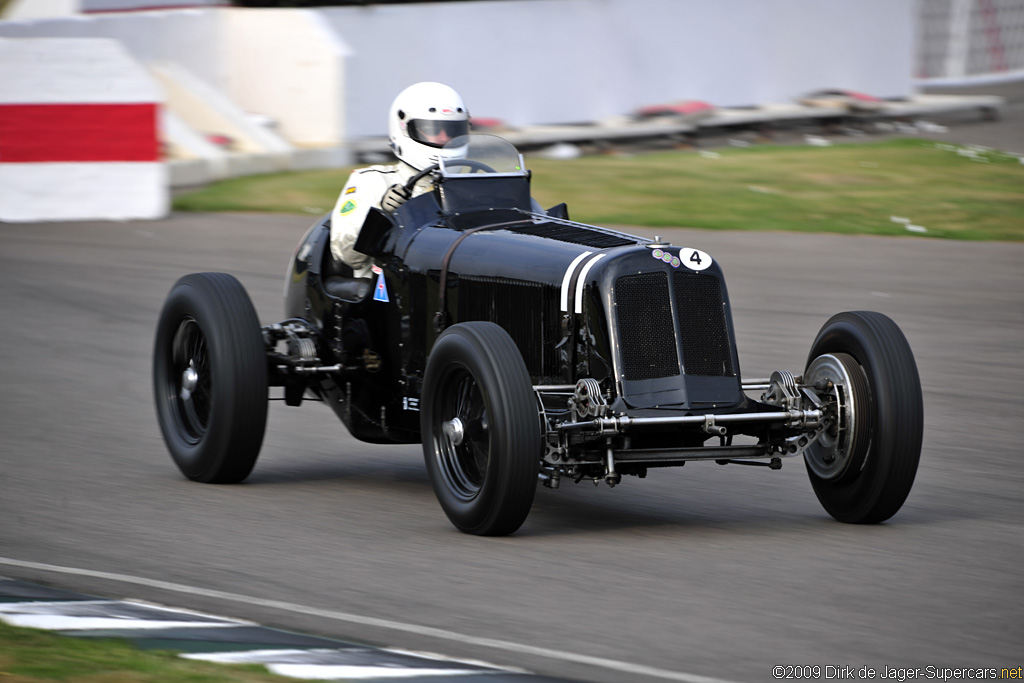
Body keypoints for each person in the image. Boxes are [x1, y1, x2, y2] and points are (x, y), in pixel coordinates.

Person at [329, 82, 470, 279]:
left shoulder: (469, 185)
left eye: (452, 131)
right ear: (403, 129)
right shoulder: (371, 182)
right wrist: (382, 214)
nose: (444, 138)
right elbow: (347, 255)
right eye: (433, 130)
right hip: (385, 294)